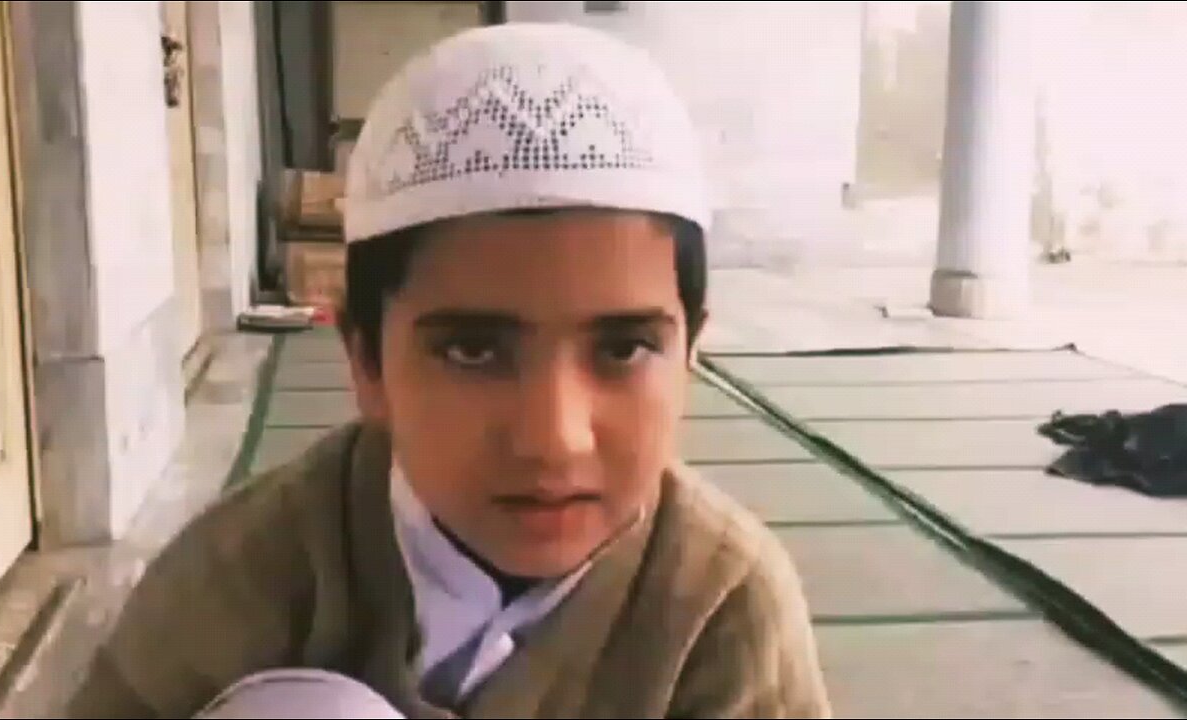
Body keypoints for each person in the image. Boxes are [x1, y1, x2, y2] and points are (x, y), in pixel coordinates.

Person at [67, 21, 831, 719]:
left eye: (623, 349)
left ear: (691, 353)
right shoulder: (249, 576)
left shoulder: (721, 607)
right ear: (366, 359)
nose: (554, 439)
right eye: (474, 351)